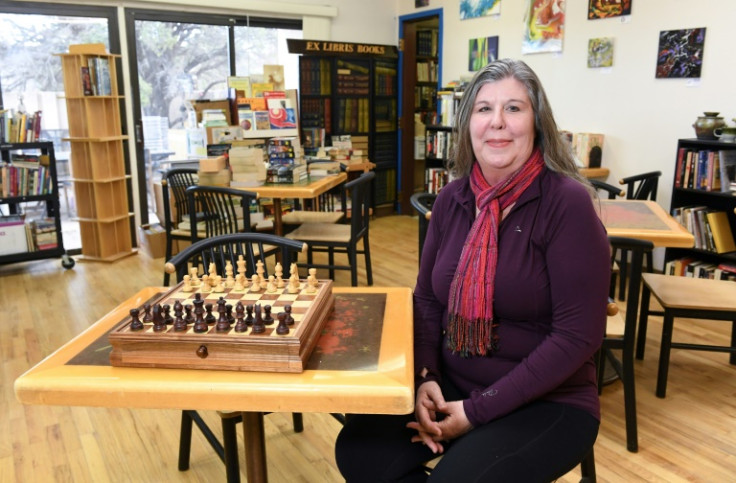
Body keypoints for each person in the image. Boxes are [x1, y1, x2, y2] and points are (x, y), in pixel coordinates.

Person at [335, 58, 610, 482]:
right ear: (467, 125)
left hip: (548, 401)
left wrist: (476, 412)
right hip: (453, 385)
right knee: (359, 451)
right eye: (484, 109)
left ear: (538, 123)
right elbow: (426, 299)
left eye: (514, 108)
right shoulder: (451, 199)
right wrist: (427, 377)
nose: (497, 122)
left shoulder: (566, 204)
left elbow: (578, 337)